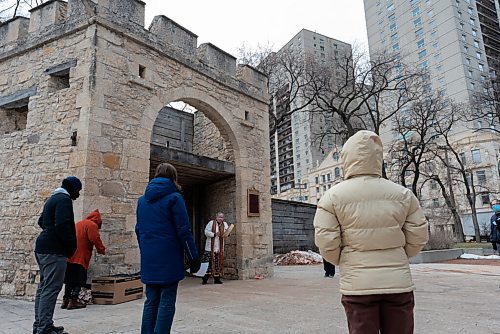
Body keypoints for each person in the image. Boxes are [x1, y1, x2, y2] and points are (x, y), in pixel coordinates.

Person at [314, 130, 429, 334]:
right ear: (378, 158)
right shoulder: (403, 194)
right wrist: (399, 255)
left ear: (347, 158)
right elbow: (419, 234)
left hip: (358, 286)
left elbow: (326, 241)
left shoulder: (331, 197)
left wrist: (345, 260)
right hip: (397, 283)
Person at [136, 163, 200, 334]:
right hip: (169, 256)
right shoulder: (174, 198)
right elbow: (183, 230)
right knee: (166, 300)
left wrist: (146, 250)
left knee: (151, 300)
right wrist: (193, 255)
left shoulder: (142, 201)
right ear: (173, 177)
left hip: (149, 257)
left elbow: (138, 229)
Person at [33, 176, 82, 334]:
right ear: (72, 189)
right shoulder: (64, 199)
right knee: (51, 289)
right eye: (78, 191)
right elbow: (62, 225)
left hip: (43, 248)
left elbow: (41, 221)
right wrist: (70, 246)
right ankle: (44, 328)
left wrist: (49, 231)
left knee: (44, 288)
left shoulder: (52, 199)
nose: (78, 195)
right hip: (54, 251)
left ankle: (41, 324)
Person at [62, 209, 106, 310]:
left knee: (69, 279)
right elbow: (95, 238)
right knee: (79, 280)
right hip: (81, 256)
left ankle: (65, 300)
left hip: (71, 255)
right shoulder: (92, 225)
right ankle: (73, 301)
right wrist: (101, 250)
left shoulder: (79, 223)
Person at [202, 212, 229, 285]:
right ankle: (205, 279)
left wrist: (227, 233)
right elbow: (206, 232)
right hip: (210, 247)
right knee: (208, 264)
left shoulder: (225, 224)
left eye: (222, 217)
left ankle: (217, 279)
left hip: (219, 247)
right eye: (219, 217)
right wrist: (214, 234)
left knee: (218, 263)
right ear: (216, 217)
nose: (221, 218)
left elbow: (226, 233)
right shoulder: (211, 223)